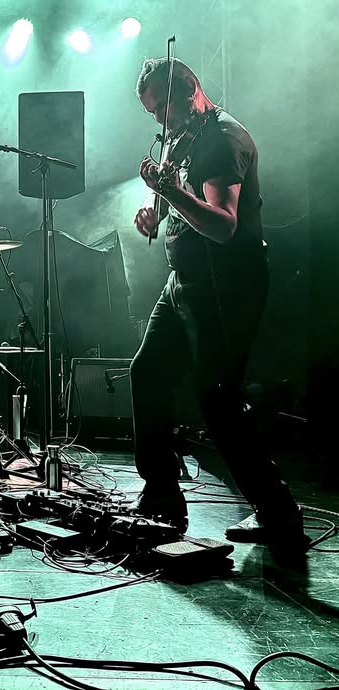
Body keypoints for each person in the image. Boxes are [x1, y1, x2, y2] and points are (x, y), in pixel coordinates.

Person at [129, 57, 307, 553]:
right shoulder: (184, 139)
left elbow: (223, 225)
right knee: (147, 373)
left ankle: (279, 513)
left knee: (218, 400)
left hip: (227, 287)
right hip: (184, 283)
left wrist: (168, 191)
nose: (159, 121)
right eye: (152, 113)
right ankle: (162, 495)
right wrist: (155, 212)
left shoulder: (223, 140)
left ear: (190, 89)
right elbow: (179, 205)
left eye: (162, 108)